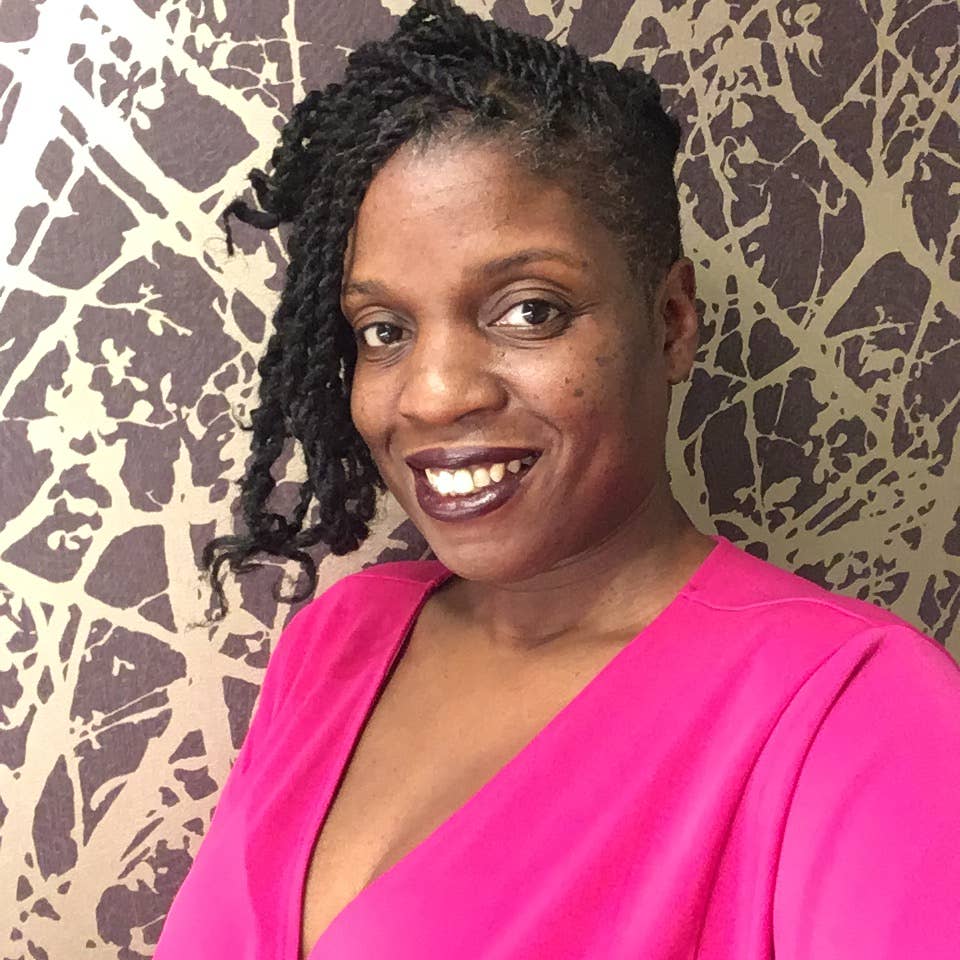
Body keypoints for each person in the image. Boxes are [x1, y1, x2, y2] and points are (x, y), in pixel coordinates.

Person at [154, 1, 960, 957]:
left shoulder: (859, 711)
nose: (434, 395)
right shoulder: (337, 642)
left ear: (671, 323)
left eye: (530, 310)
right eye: (384, 330)